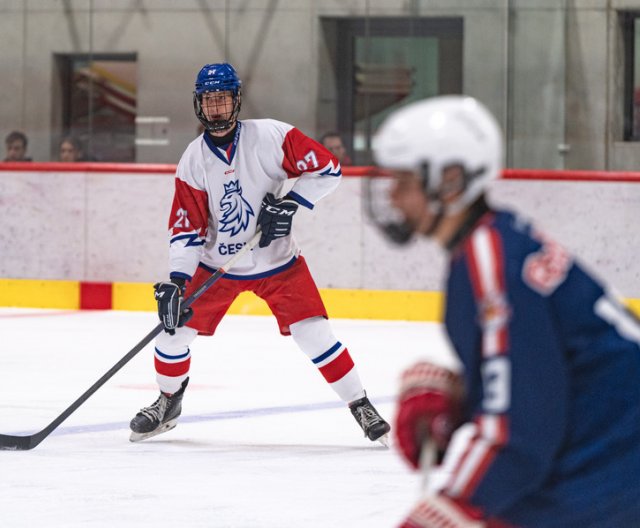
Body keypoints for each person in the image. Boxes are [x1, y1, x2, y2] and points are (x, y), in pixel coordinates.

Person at [370, 96, 640, 527]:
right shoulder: (496, 243)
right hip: (608, 457)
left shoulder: (493, 265)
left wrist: (458, 505)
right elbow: (546, 377)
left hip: (613, 467)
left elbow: (520, 438)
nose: (393, 195)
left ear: (451, 180)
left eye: (405, 179)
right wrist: (462, 400)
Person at [129, 62, 390, 446]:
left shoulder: (271, 136)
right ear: (199, 104)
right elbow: (187, 227)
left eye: (222, 100)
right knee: (172, 335)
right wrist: (178, 281)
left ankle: (360, 404)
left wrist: (289, 205)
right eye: (209, 101)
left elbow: (328, 169)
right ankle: (169, 401)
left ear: (236, 101)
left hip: (278, 263)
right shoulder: (193, 160)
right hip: (217, 266)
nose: (216, 108)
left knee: (314, 335)